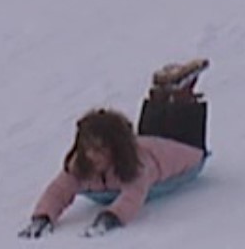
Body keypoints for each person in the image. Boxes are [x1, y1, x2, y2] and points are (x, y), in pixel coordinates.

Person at [18, 59, 212, 238]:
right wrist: (42, 217)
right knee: (154, 129)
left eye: (101, 149)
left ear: (117, 148)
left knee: (182, 123)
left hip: (186, 154)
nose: (93, 156)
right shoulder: (80, 164)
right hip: (152, 142)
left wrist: (111, 217)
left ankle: (181, 92)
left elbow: (133, 196)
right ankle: (162, 91)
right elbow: (58, 190)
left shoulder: (137, 164)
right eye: (89, 149)